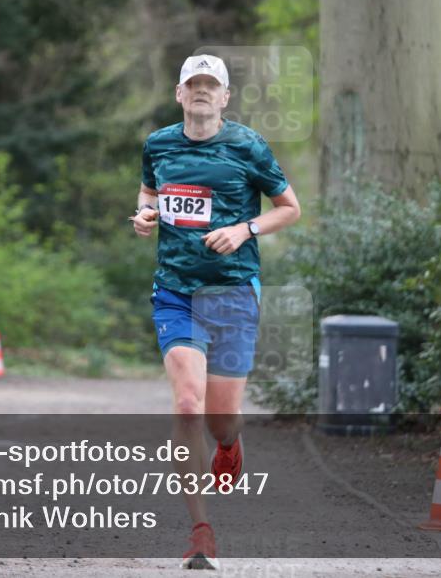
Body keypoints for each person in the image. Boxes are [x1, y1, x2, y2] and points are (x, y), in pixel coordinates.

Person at [133, 55, 301, 569]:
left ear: (225, 97)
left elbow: (290, 207)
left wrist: (244, 229)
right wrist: (143, 214)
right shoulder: (158, 144)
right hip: (177, 291)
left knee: (220, 418)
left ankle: (230, 442)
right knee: (188, 405)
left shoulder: (247, 146)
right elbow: (148, 192)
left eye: (212, 85)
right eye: (194, 84)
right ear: (180, 94)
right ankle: (200, 531)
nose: (202, 91)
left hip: (231, 294)